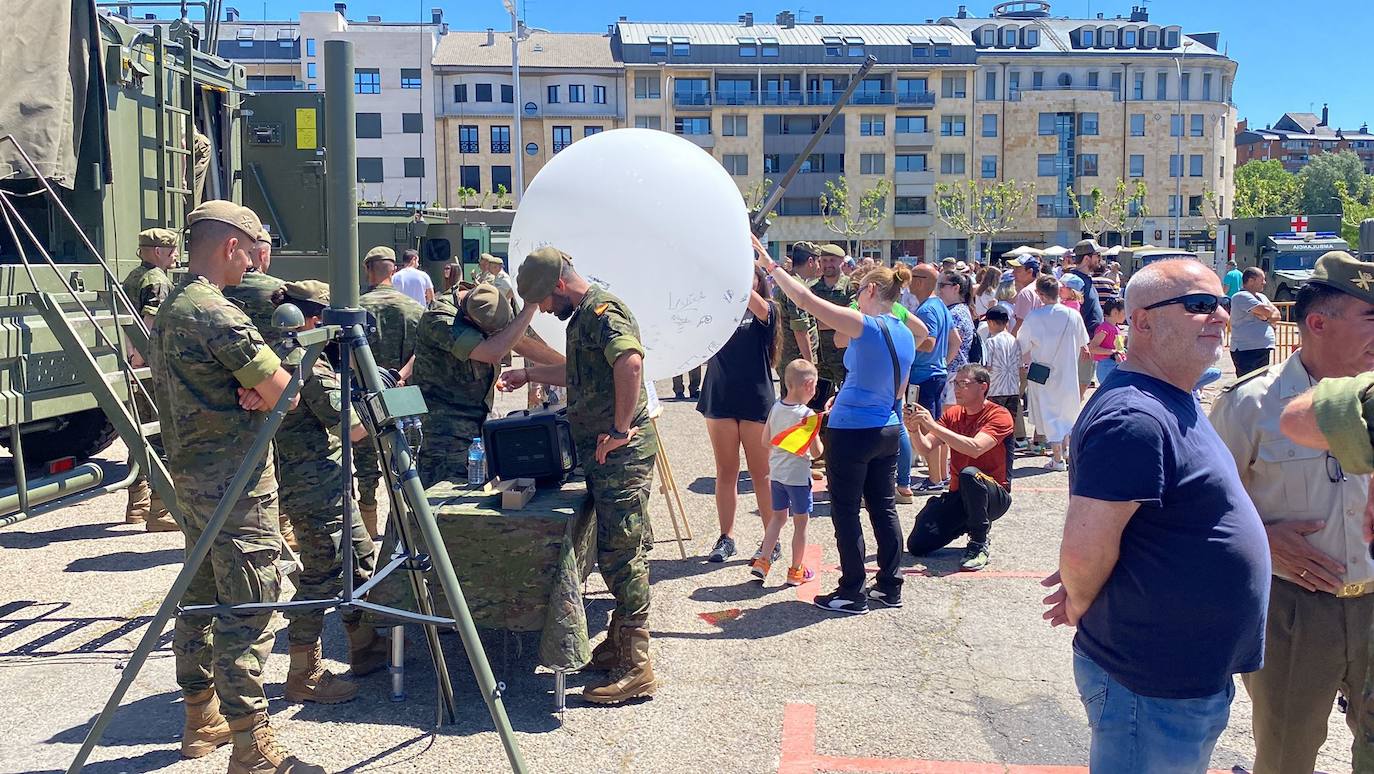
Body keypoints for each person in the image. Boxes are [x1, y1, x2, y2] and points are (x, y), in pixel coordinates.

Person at [1041, 259, 1269, 774]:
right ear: (1141, 322)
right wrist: (1081, 594)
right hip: (1150, 682)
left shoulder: (1173, 397)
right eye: (1198, 305)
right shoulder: (1134, 417)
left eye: (1221, 305)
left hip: (1180, 678)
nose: (1219, 317)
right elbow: (1083, 550)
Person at [149, 200, 322, 771]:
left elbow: (250, 386)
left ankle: (201, 717)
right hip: (237, 482)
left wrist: (253, 389)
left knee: (199, 595)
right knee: (249, 601)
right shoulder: (218, 313)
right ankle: (252, 746)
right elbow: (286, 392)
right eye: (249, 250)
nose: (252, 262)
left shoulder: (175, 304)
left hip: (192, 478)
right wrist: (268, 386)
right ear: (230, 246)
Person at [1211, 250, 1374, 774]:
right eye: (1371, 317)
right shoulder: (1250, 404)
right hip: (1293, 609)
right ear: (1319, 323)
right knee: (1286, 753)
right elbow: (1205, 507)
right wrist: (1263, 535)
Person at [500, 247, 660, 704]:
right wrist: (529, 373)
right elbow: (582, 372)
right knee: (611, 548)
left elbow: (629, 362)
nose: (546, 310)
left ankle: (636, 666)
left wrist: (620, 429)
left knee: (623, 551)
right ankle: (619, 643)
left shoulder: (604, 311)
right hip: (602, 452)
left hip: (620, 453)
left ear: (558, 286)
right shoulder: (583, 318)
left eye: (545, 302)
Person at [762, 248, 915, 615]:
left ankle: (852, 591)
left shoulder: (865, 324)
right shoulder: (905, 333)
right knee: (884, 509)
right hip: (887, 428)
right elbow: (896, 391)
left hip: (853, 431)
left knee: (846, 512)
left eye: (860, 289)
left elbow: (804, 298)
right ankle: (889, 587)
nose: (855, 295)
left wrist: (770, 267)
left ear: (873, 291)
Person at [269, 281, 387, 705]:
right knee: (322, 575)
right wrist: (387, 406)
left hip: (324, 483)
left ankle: (366, 646)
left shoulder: (283, 352)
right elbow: (352, 427)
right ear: (317, 320)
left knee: (359, 559)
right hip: (315, 489)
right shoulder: (306, 362)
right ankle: (304, 671)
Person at [411, 283, 559, 485]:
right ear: (468, 321)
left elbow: (521, 341)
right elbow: (492, 352)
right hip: (445, 431)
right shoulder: (439, 318)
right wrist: (529, 309)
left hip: (477, 424)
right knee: (440, 501)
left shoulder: (492, 303)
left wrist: (569, 366)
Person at [699, 268, 781, 564]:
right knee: (726, 471)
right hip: (719, 395)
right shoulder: (718, 309)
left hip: (755, 399)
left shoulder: (768, 310)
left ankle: (772, 537)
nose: (746, 280)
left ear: (759, 282)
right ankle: (726, 537)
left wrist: (735, 275)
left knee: (762, 474)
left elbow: (759, 308)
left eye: (751, 276)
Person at [905, 364, 1014, 571]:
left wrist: (933, 425)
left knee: (970, 474)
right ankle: (970, 521)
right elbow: (926, 447)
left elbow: (975, 449)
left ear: (983, 387)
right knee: (918, 545)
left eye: (963, 384)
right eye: (955, 383)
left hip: (994, 494)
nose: (956, 389)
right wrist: (914, 429)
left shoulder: (999, 415)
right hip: (960, 495)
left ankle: (979, 542)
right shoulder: (953, 414)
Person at [354, 245, 426, 537]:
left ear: (368, 269)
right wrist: (400, 376)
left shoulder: (356, 309)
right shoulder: (414, 309)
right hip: (401, 395)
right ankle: (408, 529)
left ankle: (369, 528)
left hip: (363, 396)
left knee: (365, 467)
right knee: (406, 462)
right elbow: (422, 350)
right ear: (393, 270)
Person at [121, 227, 179, 532]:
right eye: (171, 252)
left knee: (139, 435)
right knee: (161, 435)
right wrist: (144, 356)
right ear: (158, 252)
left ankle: (137, 506)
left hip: (132, 362)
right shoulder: (157, 280)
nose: (175, 256)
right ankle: (161, 510)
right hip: (148, 364)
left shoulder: (134, 276)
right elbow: (151, 321)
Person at [753, 358, 824, 586]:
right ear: (809, 385)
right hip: (798, 478)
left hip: (777, 475)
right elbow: (817, 451)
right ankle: (796, 570)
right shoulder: (808, 415)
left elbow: (766, 441)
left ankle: (763, 561)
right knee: (801, 523)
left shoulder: (776, 407)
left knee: (777, 518)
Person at [1016, 275, 1088, 470]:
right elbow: (1083, 341)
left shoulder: (1035, 317)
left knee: (1048, 412)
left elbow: (1021, 345)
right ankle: (1065, 453)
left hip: (1043, 371)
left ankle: (1057, 459)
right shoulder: (1073, 315)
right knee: (1066, 411)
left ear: (1040, 294)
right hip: (1068, 370)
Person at [907, 264, 954, 492]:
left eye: (912, 277)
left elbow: (929, 341)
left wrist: (905, 346)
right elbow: (955, 340)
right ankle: (941, 475)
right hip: (937, 373)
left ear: (921, 280)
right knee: (935, 425)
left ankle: (934, 479)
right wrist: (942, 361)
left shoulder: (926, 309)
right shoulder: (941, 306)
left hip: (923, 375)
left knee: (926, 426)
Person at [811, 244, 856, 386]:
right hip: (820, 358)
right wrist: (838, 321)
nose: (828, 264)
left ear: (841, 261)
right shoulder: (812, 289)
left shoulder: (851, 287)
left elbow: (851, 320)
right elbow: (810, 322)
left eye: (832, 260)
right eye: (824, 260)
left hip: (845, 358)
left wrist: (822, 322)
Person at [776, 241, 821, 370]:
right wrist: (809, 365)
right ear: (811, 261)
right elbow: (800, 329)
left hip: (789, 358)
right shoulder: (797, 287)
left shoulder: (789, 282)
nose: (819, 267)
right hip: (797, 361)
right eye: (818, 262)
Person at [981, 307, 1023, 443]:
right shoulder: (1015, 341)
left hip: (995, 390)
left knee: (993, 428)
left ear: (991, 323)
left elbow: (987, 366)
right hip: (1012, 390)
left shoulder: (990, 342)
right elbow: (1020, 365)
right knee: (1009, 428)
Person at [1229, 267, 1281, 377]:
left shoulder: (1262, 297)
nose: (1265, 283)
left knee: (1260, 384)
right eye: (1262, 279)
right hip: (1246, 350)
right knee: (1247, 383)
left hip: (1262, 348)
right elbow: (1267, 311)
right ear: (1251, 280)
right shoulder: (1241, 296)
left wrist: (1265, 317)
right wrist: (1265, 313)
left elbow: (1277, 315)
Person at [1087, 298, 1127, 386]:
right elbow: (1092, 348)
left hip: (1114, 364)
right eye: (1124, 313)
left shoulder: (1115, 328)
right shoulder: (1105, 328)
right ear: (1115, 312)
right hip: (1106, 365)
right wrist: (1112, 352)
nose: (1125, 316)